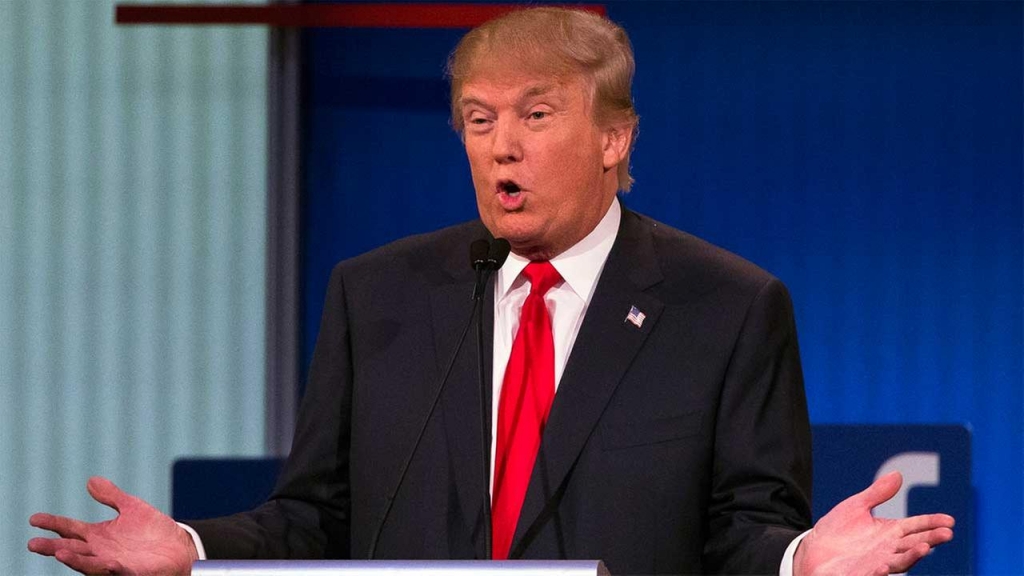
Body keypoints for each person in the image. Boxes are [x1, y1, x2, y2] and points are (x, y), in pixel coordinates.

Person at [28, 7, 954, 575]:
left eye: (535, 115)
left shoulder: (727, 306)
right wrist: (191, 552)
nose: (499, 144)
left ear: (614, 138)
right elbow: (313, 518)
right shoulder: (379, 295)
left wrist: (800, 563)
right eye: (479, 119)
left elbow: (741, 533)